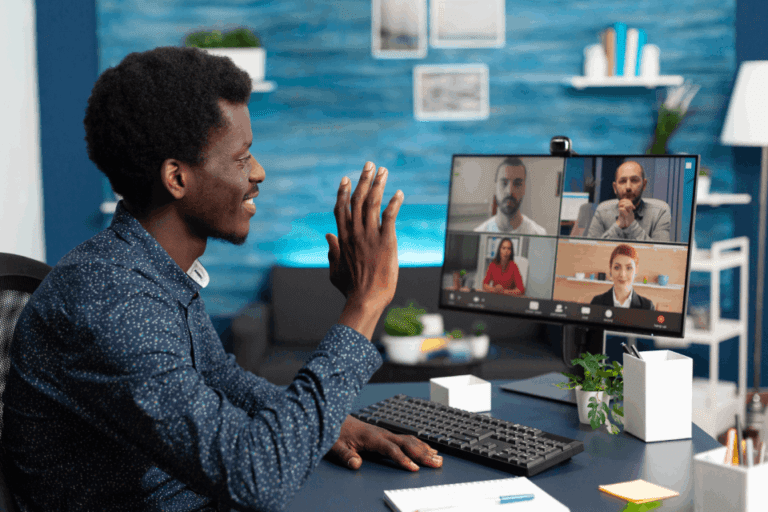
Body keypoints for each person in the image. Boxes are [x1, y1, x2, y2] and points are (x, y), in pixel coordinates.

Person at [1, 46, 442, 512]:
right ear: (177, 177)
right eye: (241, 158)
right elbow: (256, 476)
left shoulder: (149, 268)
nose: (258, 172)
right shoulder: (112, 299)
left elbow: (215, 376)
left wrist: (328, 421)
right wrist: (363, 305)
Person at [586, 160, 671, 241]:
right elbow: (592, 251)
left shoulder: (660, 212)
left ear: (644, 185)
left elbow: (660, 253)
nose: (628, 187)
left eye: (634, 180)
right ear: (615, 188)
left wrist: (632, 224)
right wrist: (619, 224)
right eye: (622, 181)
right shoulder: (602, 211)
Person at [474, 157, 547, 235]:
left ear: (524, 189)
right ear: (495, 187)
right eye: (504, 183)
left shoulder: (539, 234)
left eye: (517, 183)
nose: (509, 191)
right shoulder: (479, 233)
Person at [590, 244, 655, 310]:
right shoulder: (596, 303)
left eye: (629, 268)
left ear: (636, 270)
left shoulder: (647, 306)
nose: (622, 274)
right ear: (610, 270)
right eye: (617, 267)